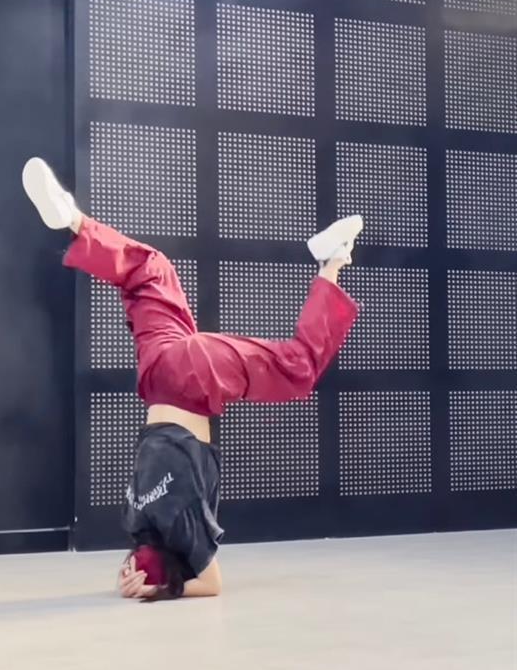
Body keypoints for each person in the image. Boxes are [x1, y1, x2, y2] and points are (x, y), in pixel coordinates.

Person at [22, 157, 362, 601]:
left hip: (193, 379)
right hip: (157, 369)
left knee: (297, 369)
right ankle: (75, 221)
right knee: (150, 271)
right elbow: (140, 558)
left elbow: (211, 584)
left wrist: (163, 589)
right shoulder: (138, 514)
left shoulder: (183, 528)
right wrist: (131, 579)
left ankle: (332, 262)